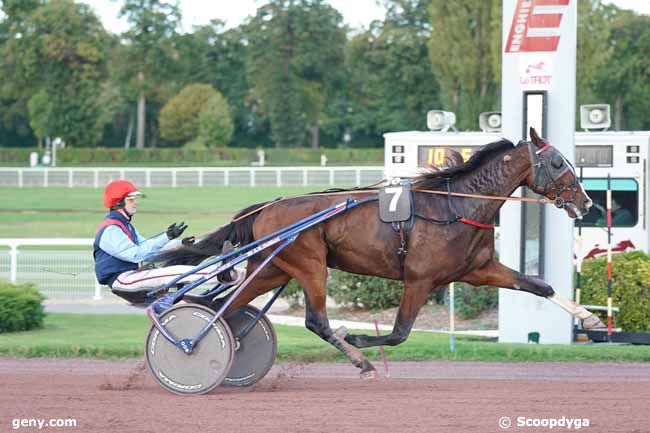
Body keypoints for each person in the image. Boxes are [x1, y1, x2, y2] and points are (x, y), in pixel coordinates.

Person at [93, 180, 222, 300]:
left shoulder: (125, 225)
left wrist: (180, 244)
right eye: (131, 199)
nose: (135, 202)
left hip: (131, 276)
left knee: (178, 276)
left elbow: (150, 251)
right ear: (118, 202)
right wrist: (166, 237)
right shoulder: (111, 229)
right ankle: (223, 273)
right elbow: (136, 255)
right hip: (122, 280)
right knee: (176, 272)